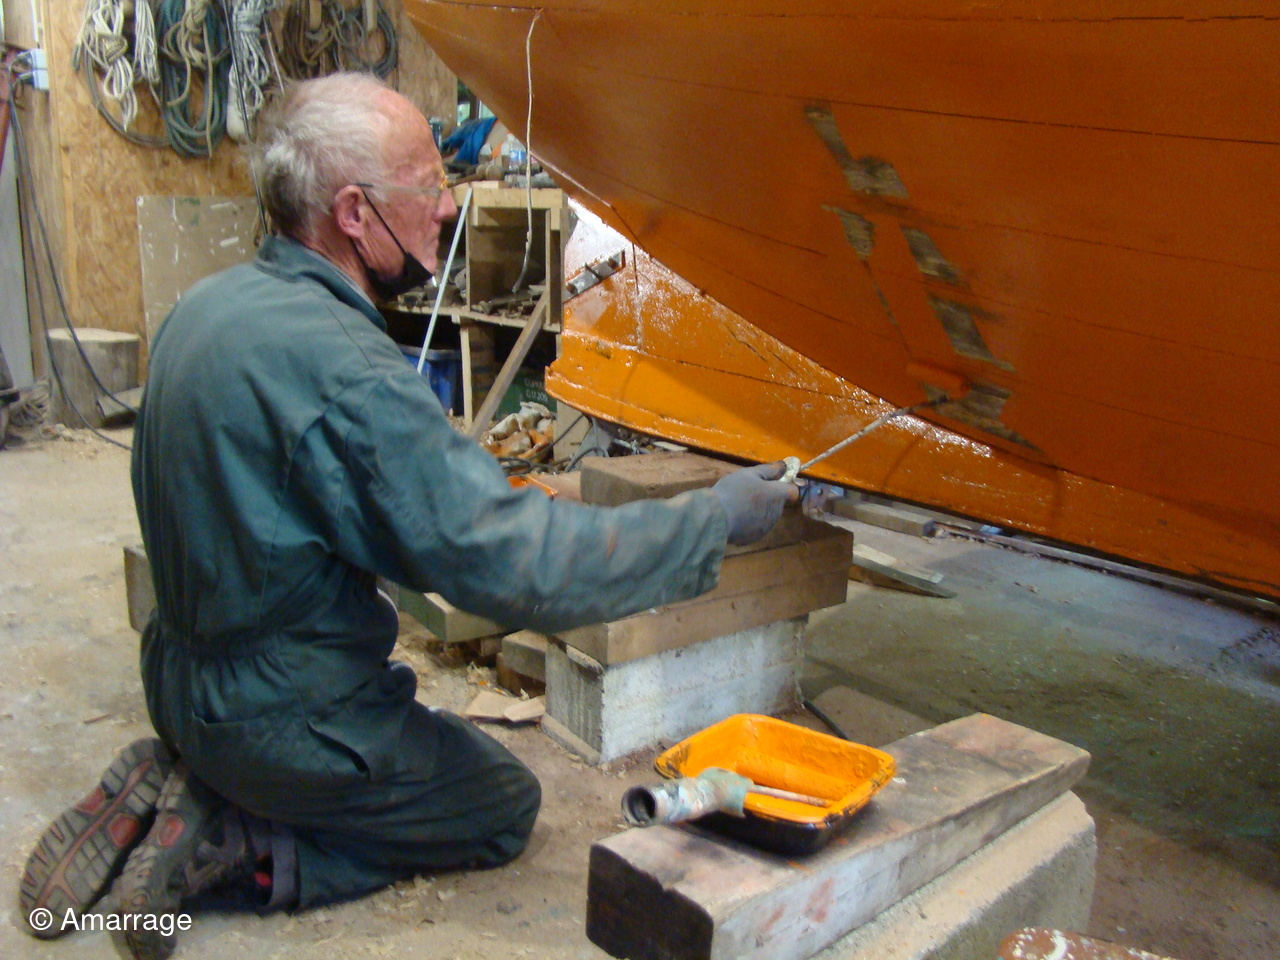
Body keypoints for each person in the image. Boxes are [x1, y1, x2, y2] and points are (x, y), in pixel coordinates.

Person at [17, 73, 796, 959]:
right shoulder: (348, 367)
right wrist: (713, 520)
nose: (449, 206)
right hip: (275, 718)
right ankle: (242, 847)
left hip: (178, 678)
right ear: (354, 213)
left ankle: (196, 774)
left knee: (419, 732)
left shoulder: (206, 307)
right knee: (500, 803)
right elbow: (511, 567)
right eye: (427, 185)